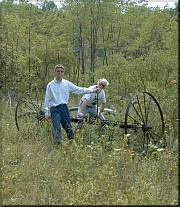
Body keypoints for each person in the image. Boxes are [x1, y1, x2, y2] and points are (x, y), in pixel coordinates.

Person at [43, 64, 98, 144]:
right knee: (57, 127)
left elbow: (79, 89)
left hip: (64, 108)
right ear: (55, 72)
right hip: (54, 109)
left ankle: (72, 143)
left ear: (63, 73)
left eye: (61, 72)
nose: (60, 73)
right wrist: (46, 111)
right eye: (58, 71)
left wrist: (92, 90)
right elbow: (47, 99)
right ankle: (58, 145)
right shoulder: (50, 85)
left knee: (68, 127)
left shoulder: (66, 84)